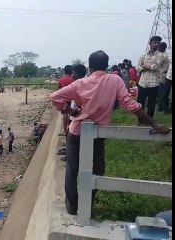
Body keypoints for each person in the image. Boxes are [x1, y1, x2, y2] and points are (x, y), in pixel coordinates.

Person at [50, 50, 169, 215]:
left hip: (76, 132)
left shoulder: (80, 83)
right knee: (97, 170)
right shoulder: (114, 80)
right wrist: (154, 122)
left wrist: (71, 112)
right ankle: (88, 205)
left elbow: (55, 97)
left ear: (89, 66)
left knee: (72, 169)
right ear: (106, 65)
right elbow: (130, 104)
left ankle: (72, 207)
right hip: (98, 134)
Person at [136, 36, 166, 124]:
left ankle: (149, 122)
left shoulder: (161, 56)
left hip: (154, 84)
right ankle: (140, 121)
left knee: (151, 104)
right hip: (142, 83)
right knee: (140, 104)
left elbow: (155, 67)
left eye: (158, 43)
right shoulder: (143, 55)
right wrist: (146, 68)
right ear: (150, 44)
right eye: (154, 42)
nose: (156, 44)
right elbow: (137, 66)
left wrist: (144, 66)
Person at [58, 65, 74, 134]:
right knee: (72, 114)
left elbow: (59, 90)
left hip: (64, 99)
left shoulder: (61, 80)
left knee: (65, 114)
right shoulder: (74, 79)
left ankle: (65, 130)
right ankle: (71, 129)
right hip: (73, 99)